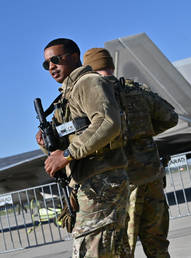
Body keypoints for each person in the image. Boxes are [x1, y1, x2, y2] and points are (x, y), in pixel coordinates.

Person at [36, 39, 130, 258]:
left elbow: (107, 122)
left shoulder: (88, 83)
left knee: (91, 251)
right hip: (90, 184)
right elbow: (64, 144)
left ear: (75, 56)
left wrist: (67, 155)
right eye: (46, 64)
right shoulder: (66, 97)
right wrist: (46, 143)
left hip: (102, 183)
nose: (51, 67)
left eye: (55, 60)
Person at [83, 48, 178, 258]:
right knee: (158, 246)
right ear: (111, 66)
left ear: (89, 70)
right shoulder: (138, 91)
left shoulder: (97, 97)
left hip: (124, 184)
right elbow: (171, 117)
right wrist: (145, 133)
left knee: (124, 248)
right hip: (152, 178)